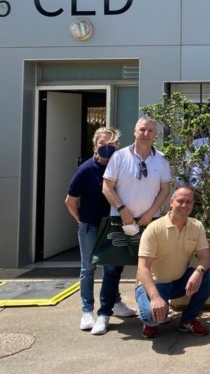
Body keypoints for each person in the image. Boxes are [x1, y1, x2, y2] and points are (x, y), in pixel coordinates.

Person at [95, 117, 173, 336]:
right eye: (142, 129)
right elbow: (107, 187)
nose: (146, 134)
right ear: (134, 131)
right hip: (120, 221)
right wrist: (122, 209)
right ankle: (104, 314)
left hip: (151, 223)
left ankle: (154, 312)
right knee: (112, 268)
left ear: (155, 134)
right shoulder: (119, 157)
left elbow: (165, 190)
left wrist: (150, 213)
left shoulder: (162, 160)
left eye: (150, 130)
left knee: (154, 268)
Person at [64, 127, 136, 331]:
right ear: (95, 145)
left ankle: (115, 302)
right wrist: (81, 221)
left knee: (112, 268)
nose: (107, 148)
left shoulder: (120, 167)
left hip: (112, 226)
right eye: (103, 144)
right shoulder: (86, 170)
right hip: (91, 226)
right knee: (88, 269)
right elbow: (70, 200)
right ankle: (87, 311)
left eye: (111, 144)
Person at [135, 187, 210, 339]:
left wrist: (198, 273)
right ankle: (150, 321)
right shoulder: (154, 229)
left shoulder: (197, 226)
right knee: (152, 318)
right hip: (154, 285)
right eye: (180, 201)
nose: (184, 205)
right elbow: (143, 268)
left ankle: (188, 320)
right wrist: (155, 297)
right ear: (171, 202)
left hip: (180, 281)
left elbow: (205, 257)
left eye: (189, 202)